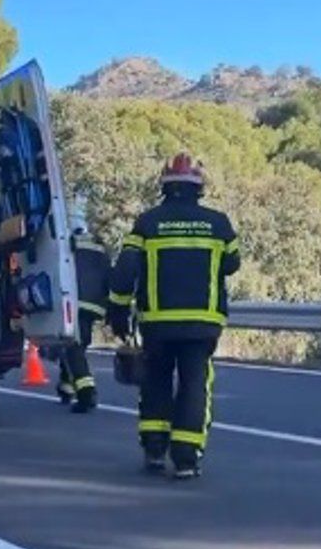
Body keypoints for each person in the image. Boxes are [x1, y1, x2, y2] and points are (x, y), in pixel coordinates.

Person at [107, 153, 241, 479]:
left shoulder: (147, 223)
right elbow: (232, 263)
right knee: (195, 384)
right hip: (202, 323)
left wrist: (118, 310)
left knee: (156, 381)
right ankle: (186, 457)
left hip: (157, 322)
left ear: (164, 187)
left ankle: (154, 450)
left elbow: (125, 270)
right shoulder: (219, 223)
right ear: (199, 188)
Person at [58, 219, 109, 414]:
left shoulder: (68, 244)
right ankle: (66, 386)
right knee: (74, 345)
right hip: (95, 304)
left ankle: (86, 392)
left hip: (73, 300)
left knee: (73, 346)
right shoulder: (100, 248)